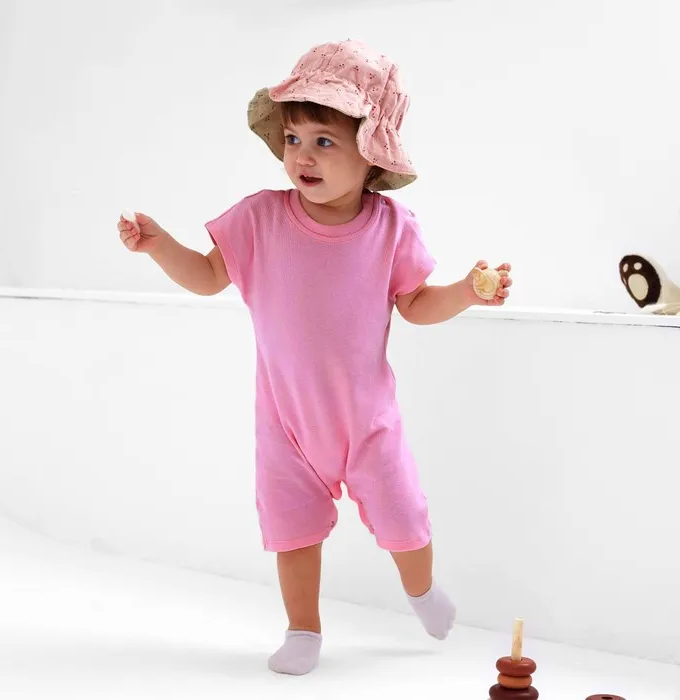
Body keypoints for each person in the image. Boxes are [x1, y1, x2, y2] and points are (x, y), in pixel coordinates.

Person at [117, 38, 512, 676]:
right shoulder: (260, 219)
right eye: (294, 138)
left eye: (324, 141)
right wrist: (160, 245)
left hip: (368, 422)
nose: (302, 155)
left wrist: (468, 291)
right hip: (287, 424)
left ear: (372, 154)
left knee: (405, 521)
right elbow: (208, 277)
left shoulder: (391, 228)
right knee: (292, 531)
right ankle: (303, 629)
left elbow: (417, 304)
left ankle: (421, 592)